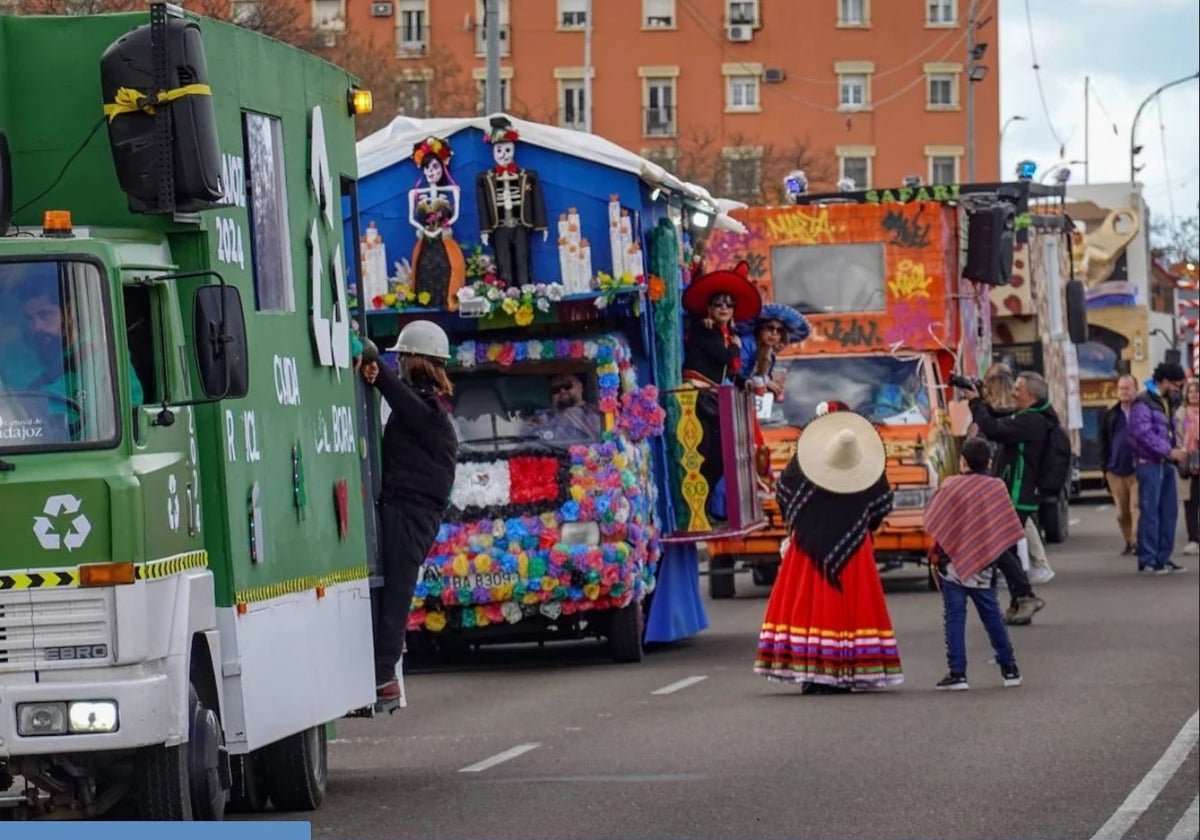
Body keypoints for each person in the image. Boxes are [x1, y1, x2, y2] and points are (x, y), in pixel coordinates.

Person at [754, 405, 903, 693]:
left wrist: (802, 524)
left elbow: (783, 494)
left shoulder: (801, 463)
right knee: (850, 610)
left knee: (808, 607)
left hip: (807, 549)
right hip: (854, 551)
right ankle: (846, 669)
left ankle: (812, 671)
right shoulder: (867, 463)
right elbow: (880, 507)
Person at [361, 320, 459, 704]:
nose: (398, 363)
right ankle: (382, 671)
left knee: (396, 594)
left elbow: (404, 403)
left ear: (418, 361)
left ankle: (384, 676)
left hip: (410, 514)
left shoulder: (428, 412)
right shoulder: (425, 406)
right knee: (390, 592)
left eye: (403, 357)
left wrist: (377, 368)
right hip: (405, 511)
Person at [925, 437, 1025, 691]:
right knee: (992, 616)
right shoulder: (996, 488)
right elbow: (1004, 527)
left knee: (955, 618)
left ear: (963, 461)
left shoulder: (951, 486)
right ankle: (1010, 669)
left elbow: (935, 520)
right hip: (984, 564)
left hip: (953, 565)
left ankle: (958, 673)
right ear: (989, 462)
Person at [964, 370, 1054, 625]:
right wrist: (979, 400)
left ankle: (1025, 596)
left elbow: (993, 429)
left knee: (1000, 546)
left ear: (1031, 395)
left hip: (1017, 493)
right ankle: (1019, 602)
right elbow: (996, 416)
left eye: (1018, 389)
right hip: (1013, 492)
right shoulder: (1030, 416)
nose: (1013, 393)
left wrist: (975, 403)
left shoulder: (1032, 422)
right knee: (1008, 548)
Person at [680, 260, 762, 518]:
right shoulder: (706, 330)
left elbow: (731, 372)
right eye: (718, 303)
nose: (724, 307)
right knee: (707, 456)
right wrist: (736, 346)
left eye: (729, 304)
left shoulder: (723, 333)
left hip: (713, 397)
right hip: (699, 397)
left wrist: (745, 382)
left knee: (720, 457)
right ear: (709, 308)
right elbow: (726, 357)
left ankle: (709, 511)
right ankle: (701, 512)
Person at [737, 302, 811, 496]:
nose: (774, 334)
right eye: (770, 328)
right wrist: (763, 383)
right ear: (760, 329)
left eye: (779, 331)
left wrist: (771, 388)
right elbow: (736, 374)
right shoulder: (747, 343)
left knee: (755, 449)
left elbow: (759, 386)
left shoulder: (769, 354)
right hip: (732, 402)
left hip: (745, 406)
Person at [1128, 361, 1190, 574]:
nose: (1178, 389)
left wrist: (1176, 450)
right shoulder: (1143, 402)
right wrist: (1169, 451)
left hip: (1165, 464)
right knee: (1151, 512)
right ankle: (1148, 559)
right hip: (1149, 464)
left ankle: (1163, 557)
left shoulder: (1166, 401)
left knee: (1169, 512)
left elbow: (1167, 431)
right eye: (1176, 384)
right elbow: (1143, 434)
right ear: (1164, 381)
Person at [475, 116, 548, 289]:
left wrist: (541, 225)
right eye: (499, 150)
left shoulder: (527, 175)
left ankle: (525, 288)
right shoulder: (484, 178)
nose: (504, 156)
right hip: (499, 226)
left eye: (508, 150)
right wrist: (485, 230)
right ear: (493, 152)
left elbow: (537, 200)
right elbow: (483, 206)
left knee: (523, 256)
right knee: (503, 258)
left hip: (521, 224)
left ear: (514, 149)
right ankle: (506, 290)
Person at [408, 136, 466, 310]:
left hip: (443, 238)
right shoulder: (414, 193)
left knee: (447, 266)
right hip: (426, 239)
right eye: (427, 168)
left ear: (443, 166)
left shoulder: (452, 190)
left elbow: (455, 215)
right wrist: (425, 230)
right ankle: (424, 298)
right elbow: (411, 218)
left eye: (435, 167)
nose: (431, 172)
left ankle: (446, 298)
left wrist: (441, 228)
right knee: (424, 267)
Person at [1099, 374, 1141, 555]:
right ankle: (1128, 541)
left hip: (1137, 470)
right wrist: (1105, 469)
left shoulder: (1143, 411)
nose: (1123, 392)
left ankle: (1137, 542)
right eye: (1121, 388)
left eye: (1127, 388)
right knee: (1122, 513)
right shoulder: (1111, 415)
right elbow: (1103, 444)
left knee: (1136, 507)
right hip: (1115, 471)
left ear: (1135, 390)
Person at [537, 371, 603, 442]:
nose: (562, 391)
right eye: (555, 389)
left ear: (580, 386)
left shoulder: (598, 412)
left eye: (567, 385)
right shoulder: (544, 417)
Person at [1175, 379, 1199, 555]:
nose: (1193, 395)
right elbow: (1177, 435)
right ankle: (1193, 539)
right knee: (1190, 502)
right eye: (1190, 392)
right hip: (1188, 461)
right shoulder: (1181, 413)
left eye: (1197, 392)